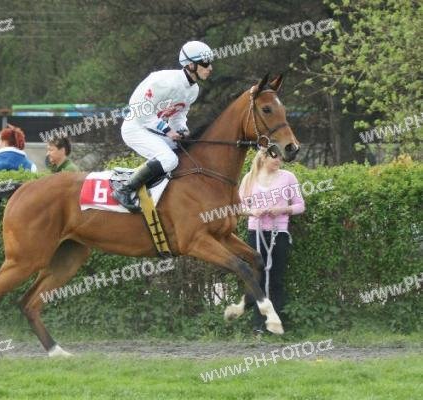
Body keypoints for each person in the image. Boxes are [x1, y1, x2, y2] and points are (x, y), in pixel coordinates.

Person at [111, 40, 214, 212]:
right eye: (205, 63)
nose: (210, 68)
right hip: (135, 128)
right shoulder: (165, 82)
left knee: (187, 152)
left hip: (153, 130)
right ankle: (124, 190)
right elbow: (140, 111)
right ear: (190, 65)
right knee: (169, 159)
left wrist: (182, 130)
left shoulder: (193, 90)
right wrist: (167, 130)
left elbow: (178, 115)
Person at [239, 149, 305, 336]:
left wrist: (283, 209)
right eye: (275, 157)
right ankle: (258, 326)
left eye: (281, 158)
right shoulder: (249, 178)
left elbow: (300, 205)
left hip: (279, 233)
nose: (279, 161)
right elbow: (239, 207)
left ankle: (277, 324)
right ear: (264, 157)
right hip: (256, 232)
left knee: (276, 279)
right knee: (257, 280)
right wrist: (253, 212)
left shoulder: (288, 177)